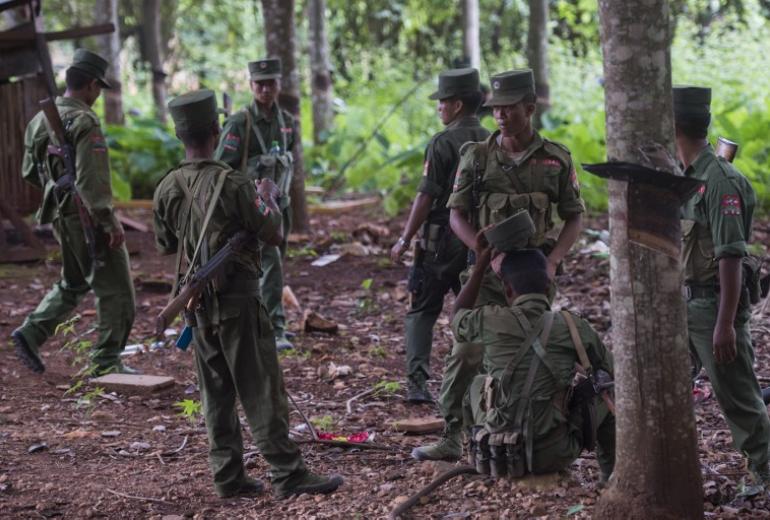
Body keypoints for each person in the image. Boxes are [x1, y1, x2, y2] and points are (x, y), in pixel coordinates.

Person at [153, 89, 343, 498]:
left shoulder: (167, 186)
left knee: (216, 394)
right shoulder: (234, 183)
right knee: (262, 390)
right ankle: (288, 475)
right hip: (239, 303)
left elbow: (167, 244)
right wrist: (268, 200)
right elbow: (273, 234)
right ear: (217, 130)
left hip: (197, 306)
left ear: (179, 134)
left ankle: (227, 477)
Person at [413, 69, 585, 461]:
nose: (501, 116)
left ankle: (532, 430)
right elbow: (455, 213)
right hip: (487, 272)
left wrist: (554, 260)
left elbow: (574, 216)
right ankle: (453, 434)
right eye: (496, 109)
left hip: (533, 275)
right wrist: (481, 250)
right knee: (467, 350)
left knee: (533, 351)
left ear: (530, 107)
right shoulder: (476, 156)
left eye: (509, 108)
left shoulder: (555, 160)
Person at [12, 49, 135, 376]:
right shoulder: (84, 120)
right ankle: (107, 362)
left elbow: (28, 171)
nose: (97, 96)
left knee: (74, 280)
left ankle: (31, 332)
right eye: (99, 89)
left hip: (58, 214)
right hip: (86, 217)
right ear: (92, 84)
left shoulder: (39, 119)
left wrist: (57, 186)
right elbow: (93, 184)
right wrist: (109, 224)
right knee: (118, 291)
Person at [675, 85, 770, 494]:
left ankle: (766, 473)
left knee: (738, 399)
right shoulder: (687, 176)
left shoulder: (719, 182)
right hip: (685, 303)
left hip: (714, 306)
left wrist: (725, 324)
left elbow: (731, 255)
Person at [453, 245, 614, 481]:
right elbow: (610, 372)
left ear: (507, 289)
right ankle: (609, 477)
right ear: (548, 286)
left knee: (478, 383)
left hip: (501, 452)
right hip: (555, 454)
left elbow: (456, 316)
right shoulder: (572, 325)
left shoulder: (488, 319)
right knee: (606, 390)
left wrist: (479, 268)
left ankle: (479, 447)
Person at [390, 68, 490, 404]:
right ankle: (478, 382)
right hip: (477, 242)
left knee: (422, 311)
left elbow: (426, 196)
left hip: (438, 242)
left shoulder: (443, 143)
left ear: (458, 105)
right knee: (474, 312)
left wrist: (405, 238)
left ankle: (418, 385)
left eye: (443, 102)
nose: (439, 108)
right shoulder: (490, 141)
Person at [214, 58, 295, 350]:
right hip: (255, 210)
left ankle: (262, 322)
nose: (265, 89)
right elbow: (222, 168)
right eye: (259, 84)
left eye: (270, 83)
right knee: (270, 263)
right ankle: (275, 328)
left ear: (278, 85)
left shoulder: (287, 123)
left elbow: (290, 165)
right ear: (250, 86)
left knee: (274, 265)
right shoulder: (240, 122)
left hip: (281, 206)